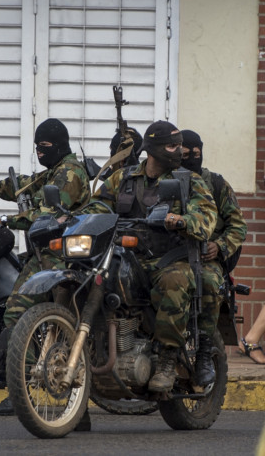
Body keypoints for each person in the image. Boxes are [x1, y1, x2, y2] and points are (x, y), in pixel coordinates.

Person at [0, 118, 91, 416]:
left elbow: (44, 214)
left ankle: (23, 391)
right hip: (46, 254)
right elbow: (23, 186)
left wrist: (2, 221)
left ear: (58, 145)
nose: (40, 152)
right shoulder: (55, 171)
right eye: (37, 147)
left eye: (45, 147)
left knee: (18, 313)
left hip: (60, 257)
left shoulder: (70, 173)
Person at [82, 121, 217, 392]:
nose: (179, 151)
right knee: (82, 277)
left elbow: (206, 216)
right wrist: (79, 219)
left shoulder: (189, 180)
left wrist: (182, 220)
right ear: (153, 149)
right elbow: (97, 205)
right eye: (172, 145)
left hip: (168, 259)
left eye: (180, 145)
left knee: (175, 282)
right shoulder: (124, 178)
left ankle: (167, 359)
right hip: (124, 257)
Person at [180, 129, 248, 382]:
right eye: (186, 155)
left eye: (196, 154)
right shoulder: (166, 181)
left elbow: (238, 226)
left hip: (205, 259)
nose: (192, 159)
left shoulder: (216, 183)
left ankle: (205, 352)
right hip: (167, 256)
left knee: (208, 284)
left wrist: (219, 246)